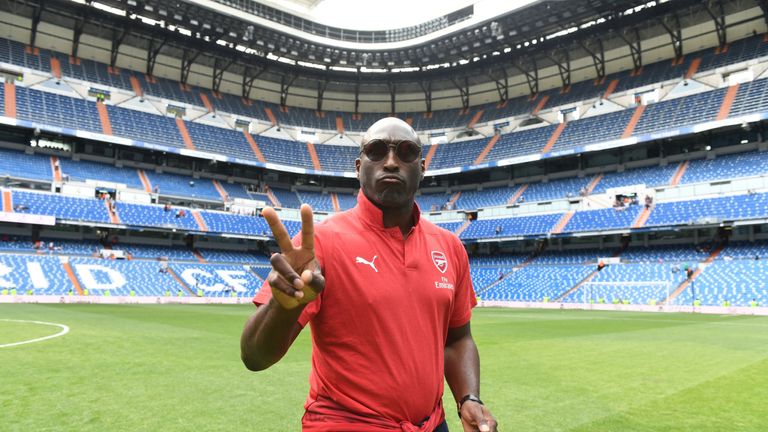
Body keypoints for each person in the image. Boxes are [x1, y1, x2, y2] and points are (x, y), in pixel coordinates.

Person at [240, 117, 497, 432]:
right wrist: (282, 305)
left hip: (431, 425)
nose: (391, 161)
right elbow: (254, 357)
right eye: (377, 151)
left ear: (423, 167)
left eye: (406, 152)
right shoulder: (321, 242)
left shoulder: (450, 247)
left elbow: (458, 339)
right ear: (359, 166)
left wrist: (469, 397)